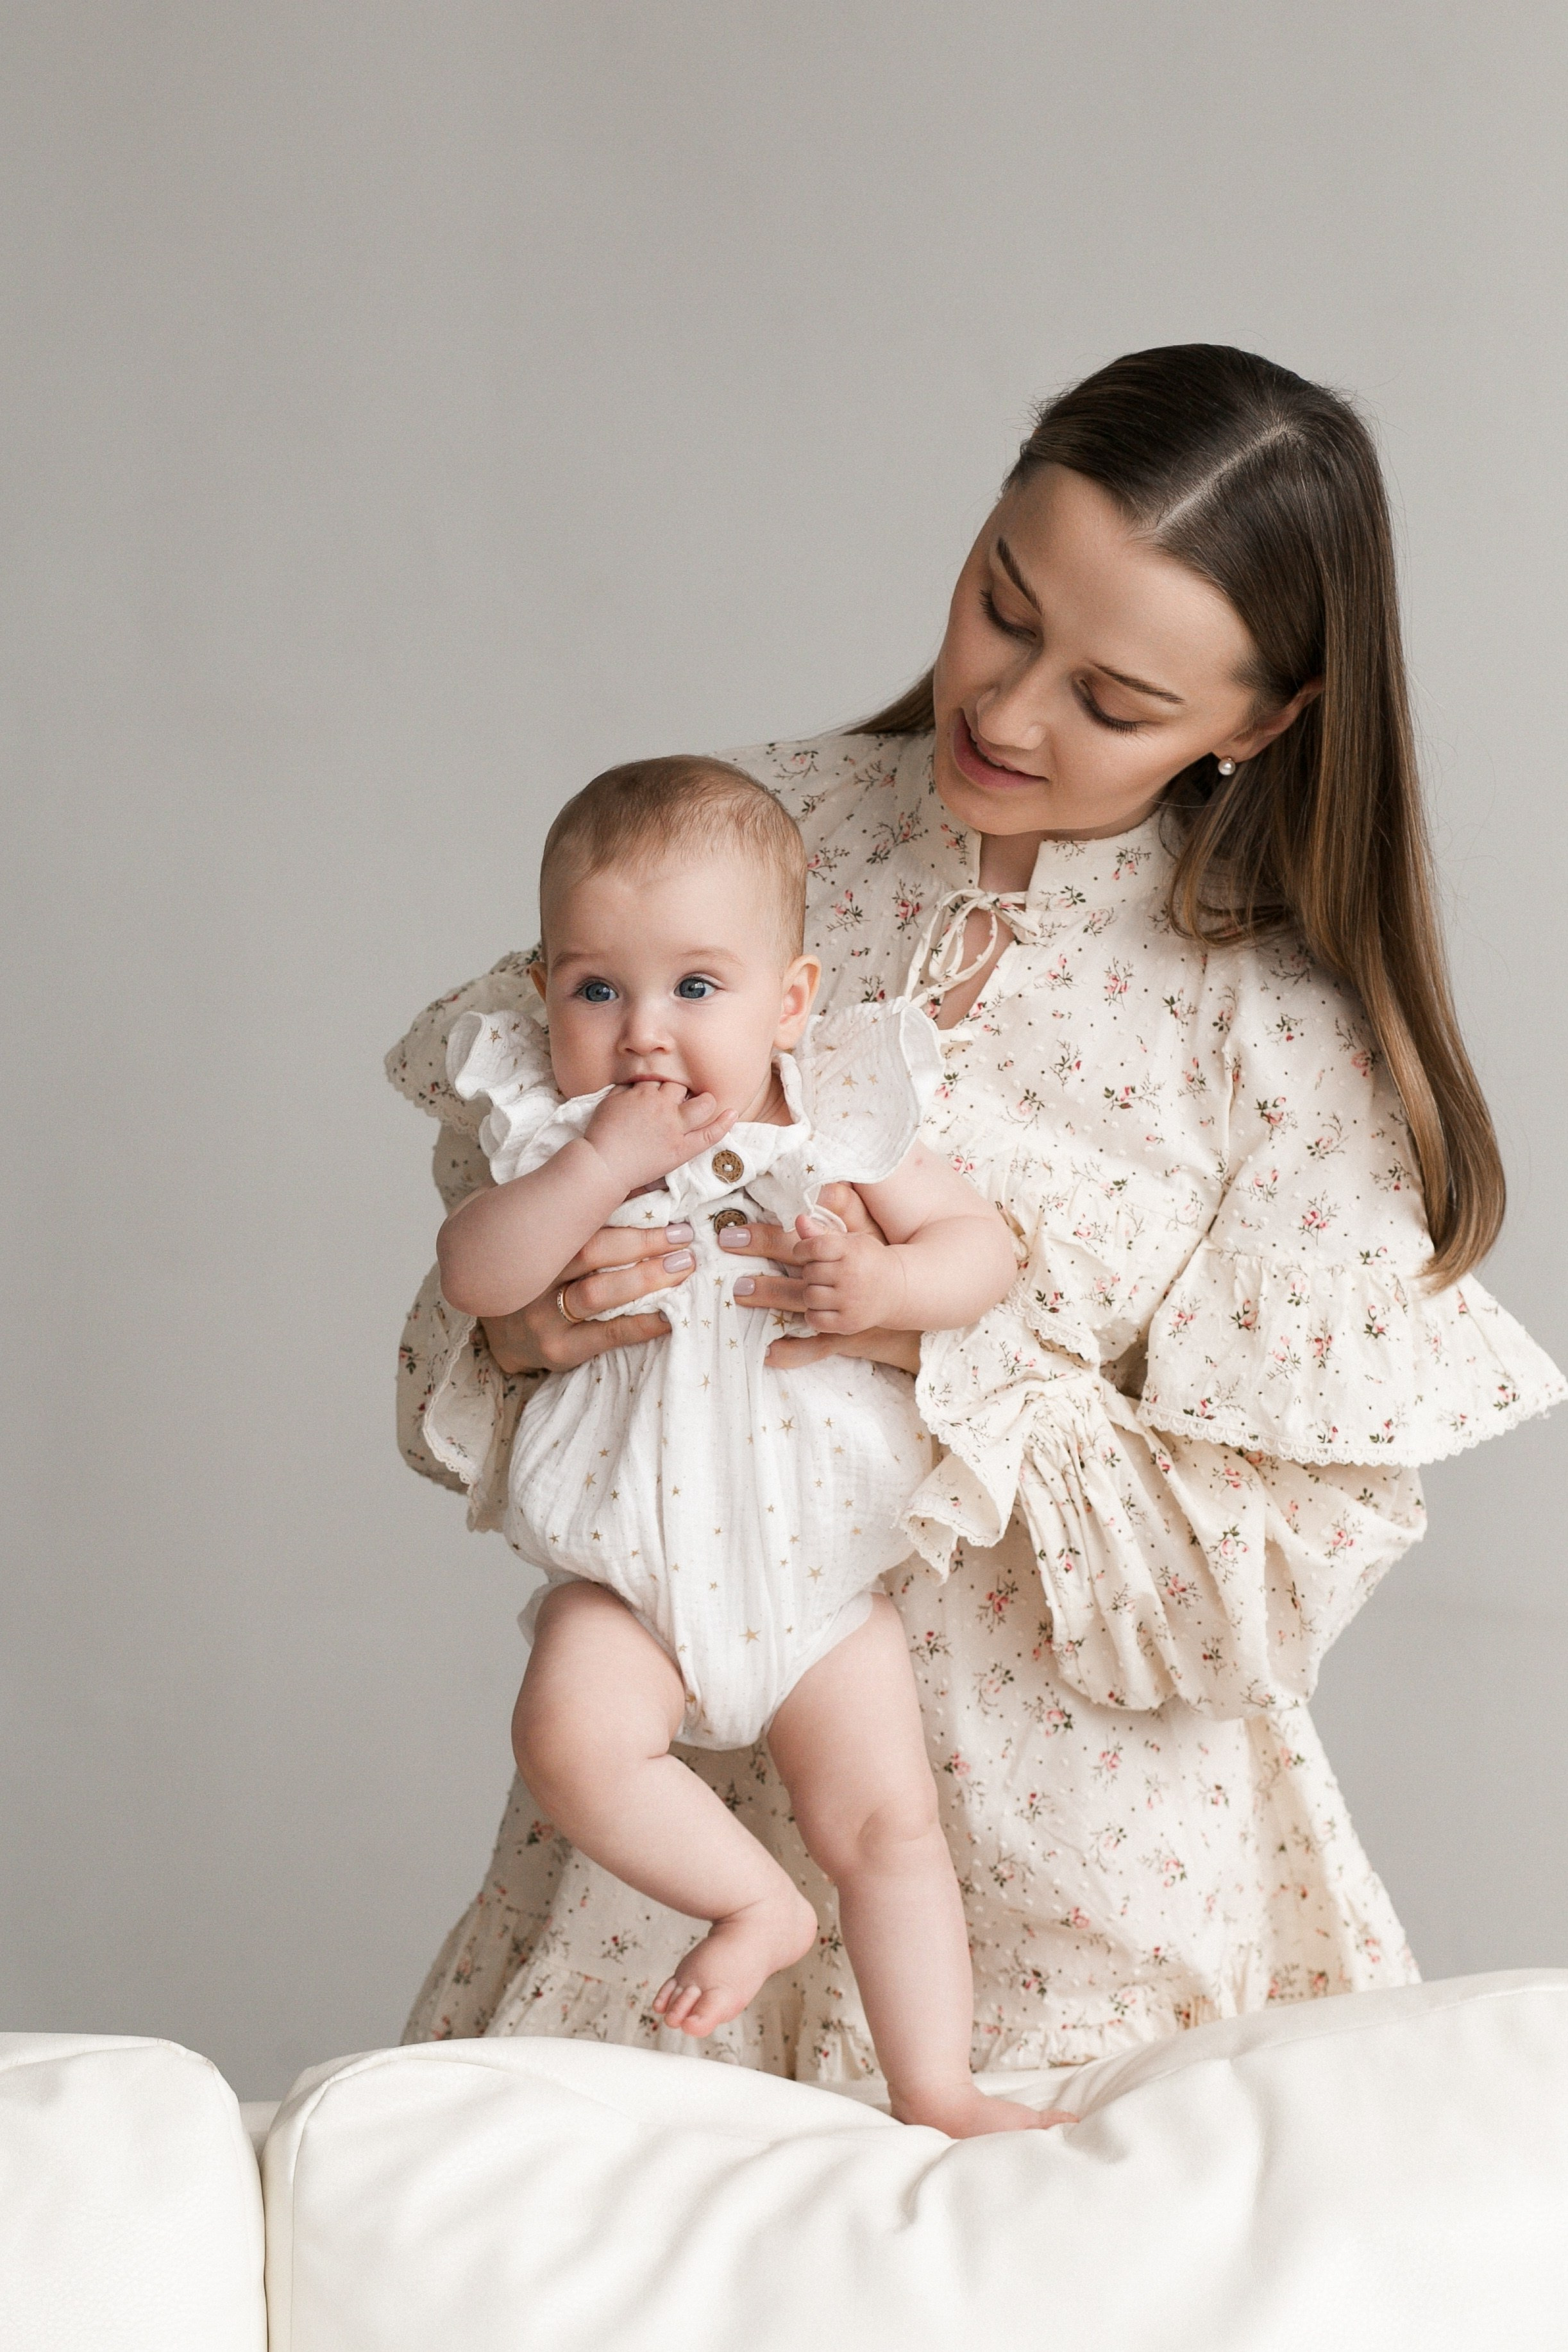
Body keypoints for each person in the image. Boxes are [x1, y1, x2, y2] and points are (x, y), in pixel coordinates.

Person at [387, 344, 1564, 2098]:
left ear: (1257, 722)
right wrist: (527, 1322)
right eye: (998, 607)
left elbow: (1251, 1576)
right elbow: (493, 1236)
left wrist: (960, 1352)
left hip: (1085, 1881)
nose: (1006, 713)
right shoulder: (738, 846)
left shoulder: (1280, 1036)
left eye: (1110, 701)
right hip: (684, 1831)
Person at [432, 753, 1047, 2135]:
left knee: (889, 1831)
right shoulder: (557, 1134)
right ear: (548, 996)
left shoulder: (836, 1116)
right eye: (599, 989)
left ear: (790, 1001)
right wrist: (594, 1167)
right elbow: (477, 1276)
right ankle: (750, 1901)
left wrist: (883, 1288)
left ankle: (934, 2082)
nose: (645, 1033)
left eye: (695, 989)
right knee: (568, 1738)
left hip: (821, 1578)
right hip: (633, 1580)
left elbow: (979, 1249)